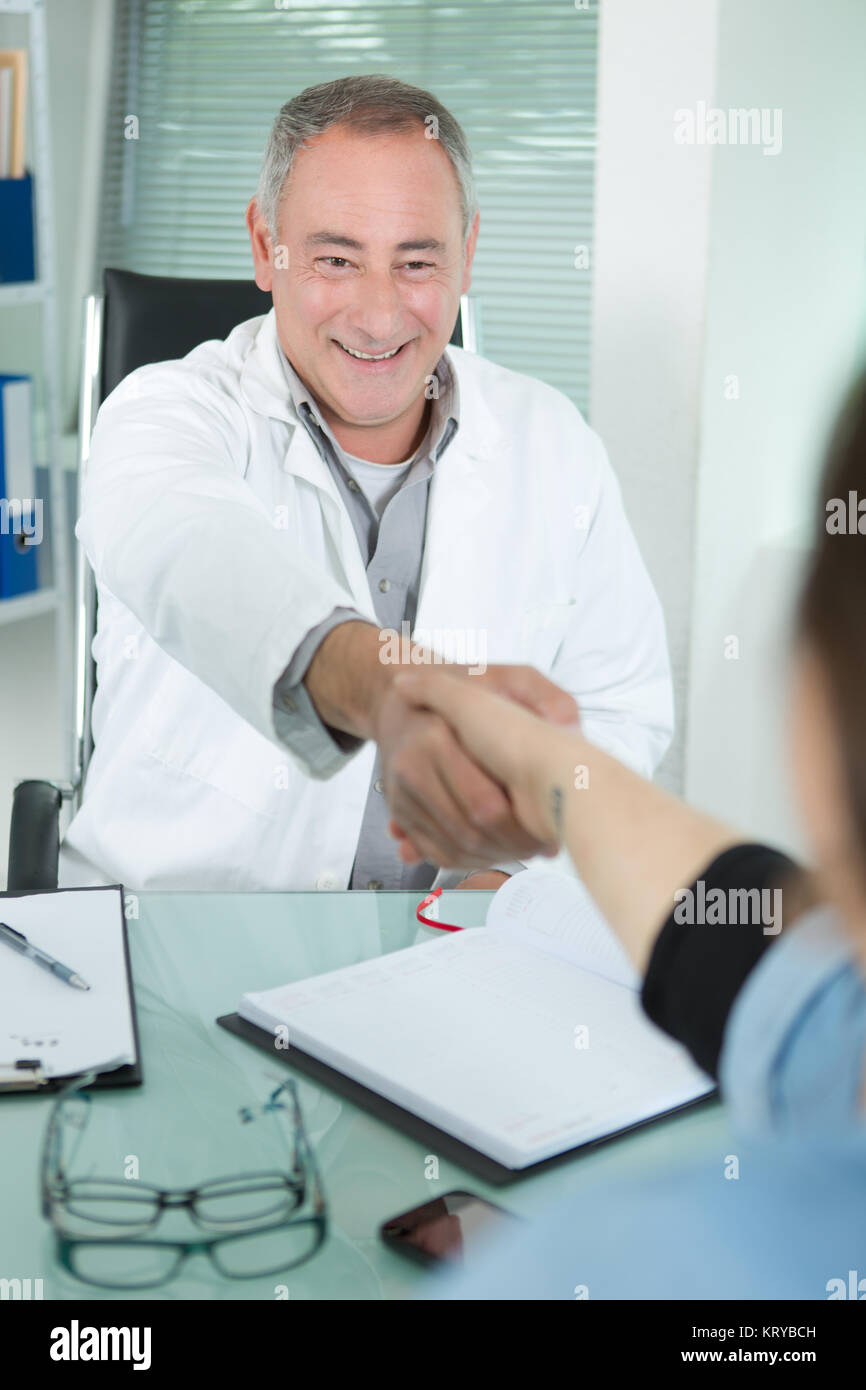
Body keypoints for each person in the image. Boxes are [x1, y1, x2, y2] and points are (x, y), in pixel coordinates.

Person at [58, 74, 672, 893]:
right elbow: (190, 550)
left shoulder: (552, 439)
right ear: (263, 244)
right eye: (336, 259)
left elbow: (620, 711)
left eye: (416, 261)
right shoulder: (163, 413)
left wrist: (505, 868)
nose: (380, 316)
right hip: (177, 938)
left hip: (464, 953)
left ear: (468, 254)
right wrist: (390, 690)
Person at [389, 370, 866, 1299]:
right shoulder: (830, 1010)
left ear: (807, 709)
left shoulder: (602, 1271)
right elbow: (757, 956)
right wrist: (537, 761)